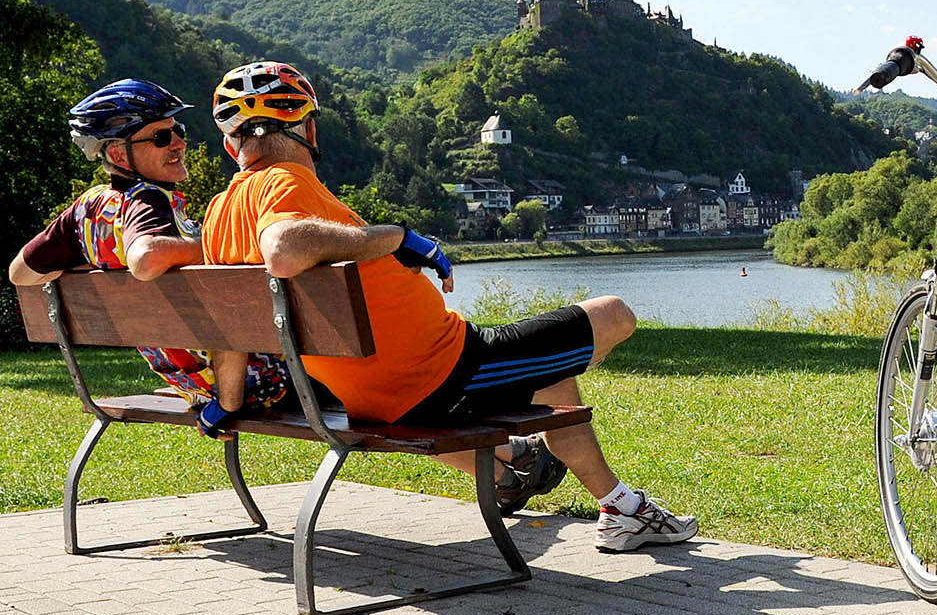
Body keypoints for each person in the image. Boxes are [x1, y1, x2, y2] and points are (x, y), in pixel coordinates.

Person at [197, 61, 695, 551]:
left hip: (371, 395)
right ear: (308, 128)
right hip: (445, 372)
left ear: (230, 144)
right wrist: (398, 238)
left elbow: (233, 325)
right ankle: (621, 510)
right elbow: (283, 248)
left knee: (552, 374)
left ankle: (613, 503)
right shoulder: (284, 181)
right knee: (614, 314)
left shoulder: (219, 213)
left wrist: (229, 403)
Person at [8, 79, 290, 432]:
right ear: (118, 155)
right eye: (161, 138)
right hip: (254, 383)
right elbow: (145, 257)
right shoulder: (148, 200)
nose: (178, 143)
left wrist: (95, 264)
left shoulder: (85, 212)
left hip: (190, 381)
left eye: (177, 131)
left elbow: (20, 273)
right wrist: (223, 245)